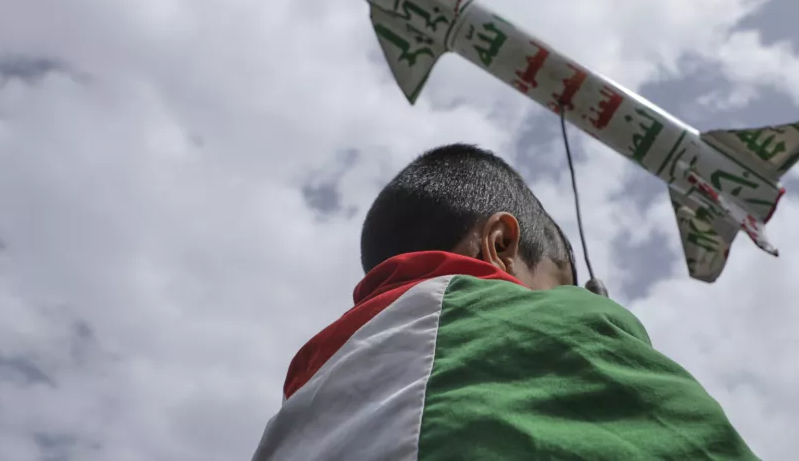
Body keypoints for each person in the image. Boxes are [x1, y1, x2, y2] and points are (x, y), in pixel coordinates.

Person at [251, 143, 759, 461]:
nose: (565, 299)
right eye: (558, 281)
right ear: (500, 246)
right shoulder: (568, 321)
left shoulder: (303, 395)